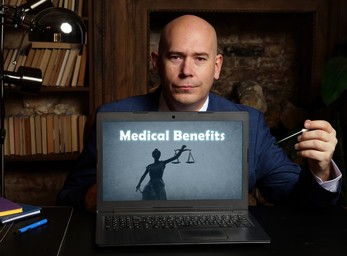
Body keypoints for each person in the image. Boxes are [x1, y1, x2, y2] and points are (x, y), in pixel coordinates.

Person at [57, 15, 342, 212]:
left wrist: (320, 171)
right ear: (156, 63)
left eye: (200, 59)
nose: (187, 71)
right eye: (175, 57)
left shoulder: (251, 125)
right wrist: (91, 197)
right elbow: (68, 196)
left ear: (217, 66)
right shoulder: (113, 116)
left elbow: (296, 198)